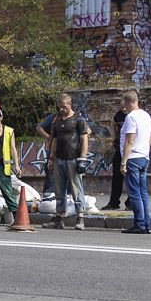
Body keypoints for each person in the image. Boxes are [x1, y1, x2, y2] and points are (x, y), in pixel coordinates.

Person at [45, 93, 90, 230]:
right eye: (59, 107)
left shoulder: (79, 120)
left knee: (76, 189)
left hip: (73, 159)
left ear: (70, 104)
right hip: (59, 159)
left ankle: (80, 217)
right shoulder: (57, 120)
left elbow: (84, 139)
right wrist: (51, 158)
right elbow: (55, 140)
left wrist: (82, 158)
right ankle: (59, 218)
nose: (62, 110)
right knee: (59, 190)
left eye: (64, 107)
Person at [119, 90, 151, 234]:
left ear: (127, 103)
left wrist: (123, 161)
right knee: (143, 193)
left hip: (133, 158)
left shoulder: (131, 117)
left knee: (134, 193)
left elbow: (129, 140)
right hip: (144, 156)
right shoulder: (146, 115)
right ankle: (147, 224)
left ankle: (139, 224)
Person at [104, 106, 127, 211]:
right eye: (122, 107)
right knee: (117, 177)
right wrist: (113, 137)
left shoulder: (137, 114)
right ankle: (114, 202)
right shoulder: (119, 114)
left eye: (125, 106)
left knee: (131, 177)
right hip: (119, 148)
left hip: (131, 150)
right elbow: (112, 123)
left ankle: (131, 203)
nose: (124, 109)